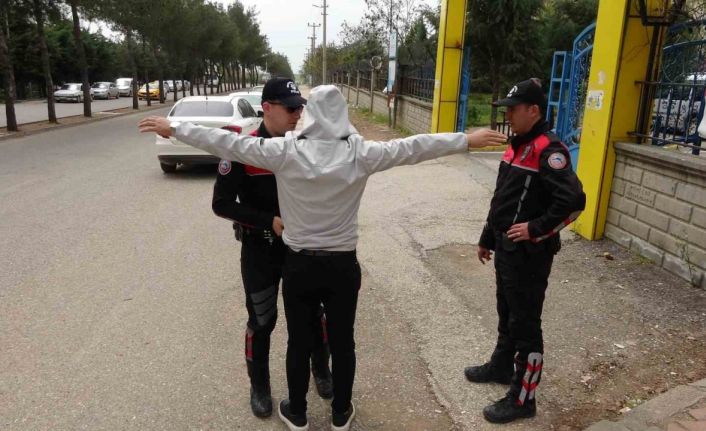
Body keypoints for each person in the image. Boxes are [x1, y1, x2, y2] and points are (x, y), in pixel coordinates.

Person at [139, 85, 507, 431]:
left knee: (298, 342)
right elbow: (414, 147)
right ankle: (341, 412)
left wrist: (176, 128)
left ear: (311, 113)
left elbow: (228, 142)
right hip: (342, 266)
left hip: (299, 265)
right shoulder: (361, 153)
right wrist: (465, 139)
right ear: (343, 113)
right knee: (343, 342)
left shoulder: (285, 151)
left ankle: (297, 413)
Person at [463, 78, 586, 424]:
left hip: (530, 257)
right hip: (506, 250)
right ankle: (502, 366)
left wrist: (535, 229)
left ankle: (523, 398)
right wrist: (487, 237)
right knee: (507, 314)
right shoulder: (517, 145)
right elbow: (502, 198)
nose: (508, 116)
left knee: (526, 325)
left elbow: (574, 202)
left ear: (533, 110)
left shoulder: (550, 150)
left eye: (513, 110)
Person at [211, 78, 333, 418]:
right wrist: (268, 221)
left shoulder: (304, 147)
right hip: (260, 251)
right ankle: (260, 386)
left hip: (300, 250)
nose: (297, 114)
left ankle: (322, 371)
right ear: (267, 108)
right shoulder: (242, 149)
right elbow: (221, 204)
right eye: (290, 108)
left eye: (300, 108)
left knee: (313, 315)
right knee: (262, 320)